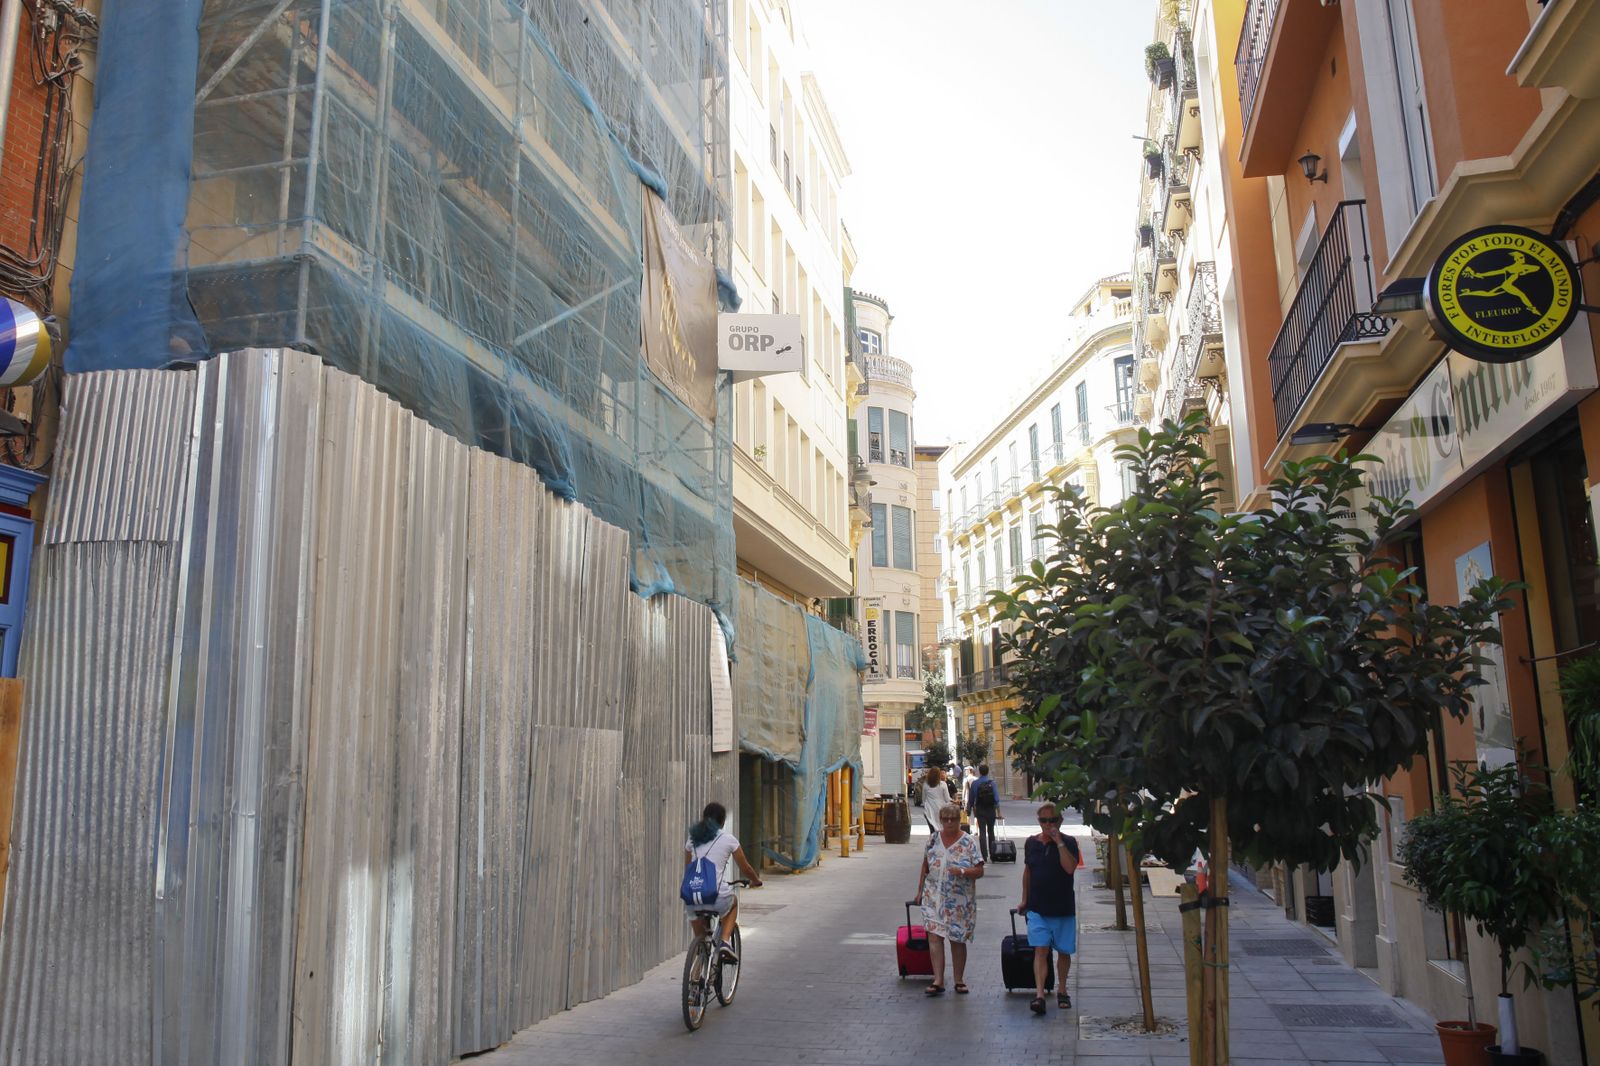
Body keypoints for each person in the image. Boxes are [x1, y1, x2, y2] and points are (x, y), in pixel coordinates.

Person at [914, 802, 985, 995]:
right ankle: (938, 979)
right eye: (945, 819)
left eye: (953, 819)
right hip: (933, 896)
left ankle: (959, 979)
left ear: (958, 820)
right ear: (941, 820)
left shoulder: (968, 842)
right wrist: (920, 891)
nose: (949, 822)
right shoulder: (933, 839)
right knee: (934, 937)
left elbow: (979, 870)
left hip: (959, 901)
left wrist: (963, 871)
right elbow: (925, 865)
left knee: (957, 938)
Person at [1017, 801, 1080, 1015]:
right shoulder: (1031, 843)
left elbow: (1070, 868)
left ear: (1060, 821)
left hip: (1062, 907)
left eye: (1052, 820)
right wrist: (1025, 900)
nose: (1048, 824)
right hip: (1038, 907)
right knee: (1041, 949)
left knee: (1063, 951)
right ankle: (1040, 994)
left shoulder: (1069, 842)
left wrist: (1058, 841)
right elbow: (1028, 871)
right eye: (1043, 820)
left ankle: (1062, 989)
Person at [684, 802, 762, 963]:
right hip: (716, 896)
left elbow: (688, 868)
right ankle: (725, 941)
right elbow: (746, 868)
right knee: (733, 902)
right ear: (722, 821)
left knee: (701, 939)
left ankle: (695, 976)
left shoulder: (692, 838)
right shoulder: (728, 839)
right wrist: (756, 881)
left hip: (692, 898)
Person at [966, 762, 1000, 862]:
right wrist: (998, 812)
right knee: (991, 831)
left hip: (980, 809)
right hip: (990, 809)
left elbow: (971, 799)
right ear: (988, 772)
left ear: (979, 772)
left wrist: (969, 808)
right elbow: (997, 799)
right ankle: (993, 854)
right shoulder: (992, 783)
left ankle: (984, 856)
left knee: (982, 832)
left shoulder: (975, 783)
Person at [919, 766, 952, 832]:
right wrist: (953, 802)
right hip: (941, 810)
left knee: (932, 831)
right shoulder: (943, 784)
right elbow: (947, 799)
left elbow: (923, 799)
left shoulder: (926, 785)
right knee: (941, 830)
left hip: (929, 811)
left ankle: (933, 841)